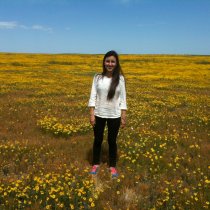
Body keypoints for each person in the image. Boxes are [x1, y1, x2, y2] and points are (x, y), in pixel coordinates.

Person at [88, 50, 127, 178]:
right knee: (97, 140)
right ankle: (95, 163)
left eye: (112, 61)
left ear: (116, 64)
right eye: (107, 61)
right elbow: (92, 96)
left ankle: (112, 166)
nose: (110, 64)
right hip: (99, 113)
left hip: (114, 115)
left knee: (112, 141)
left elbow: (123, 99)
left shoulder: (120, 79)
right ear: (104, 62)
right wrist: (92, 114)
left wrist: (123, 116)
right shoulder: (97, 77)